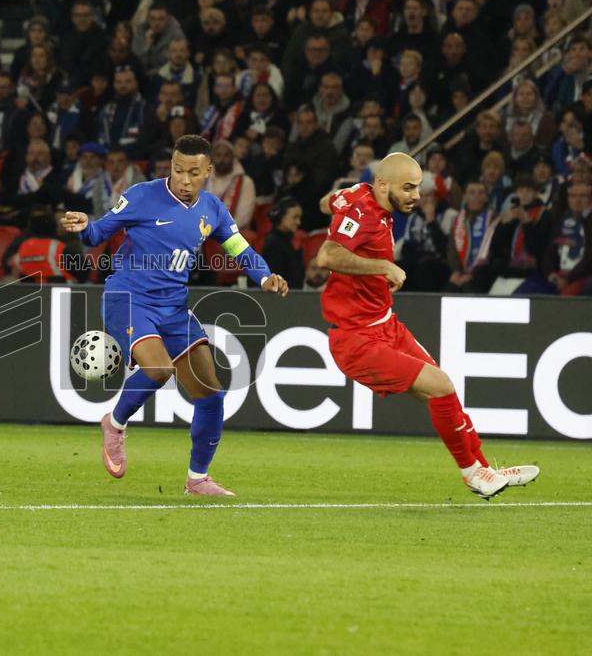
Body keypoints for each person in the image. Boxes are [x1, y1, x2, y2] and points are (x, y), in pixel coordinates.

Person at [60, 134, 289, 496]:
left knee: (211, 394)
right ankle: (114, 423)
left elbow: (240, 249)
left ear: (208, 172)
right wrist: (84, 226)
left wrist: (265, 276)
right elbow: (98, 234)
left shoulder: (212, 209)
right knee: (159, 369)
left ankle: (197, 479)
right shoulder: (141, 196)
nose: (183, 179)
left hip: (173, 307)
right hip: (129, 298)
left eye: (193, 173)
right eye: (178, 170)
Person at [314, 152, 539, 498]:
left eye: (417, 188)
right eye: (408, 188)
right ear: (383, 184)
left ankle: (481, 468)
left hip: (386, 325)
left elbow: (326, 202)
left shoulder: (360, 195)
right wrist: (383, 267)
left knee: (444, 393)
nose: (416, 196)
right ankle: (472, 474)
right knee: (442, 385)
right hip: (356, 339)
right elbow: (327, 255)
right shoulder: (363, 212)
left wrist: (336, 203)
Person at [261, 197, 305, 289]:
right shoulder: (273, 245)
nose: (298, 222)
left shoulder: (286, 242)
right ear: (281, 217)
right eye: (295, 218)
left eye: (299, 218)